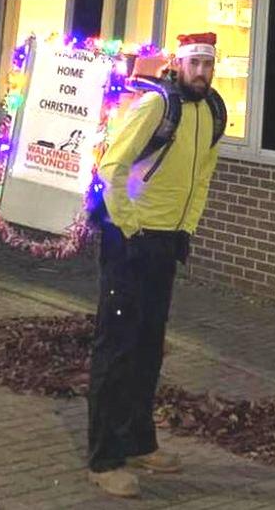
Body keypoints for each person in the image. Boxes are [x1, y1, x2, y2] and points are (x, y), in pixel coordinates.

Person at [86, 33, 223, 498]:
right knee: (116, 347)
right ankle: (105, 458)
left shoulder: (212, 112)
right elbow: (111, 168)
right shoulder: (155, 107)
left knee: (148, 346)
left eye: (208, 63)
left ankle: (140, 440)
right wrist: (129, 228)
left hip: (166, 243)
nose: (202, 72)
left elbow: (201, 176)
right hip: (129, 241)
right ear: (178, 65)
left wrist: (186, 228)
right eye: (195, 63)